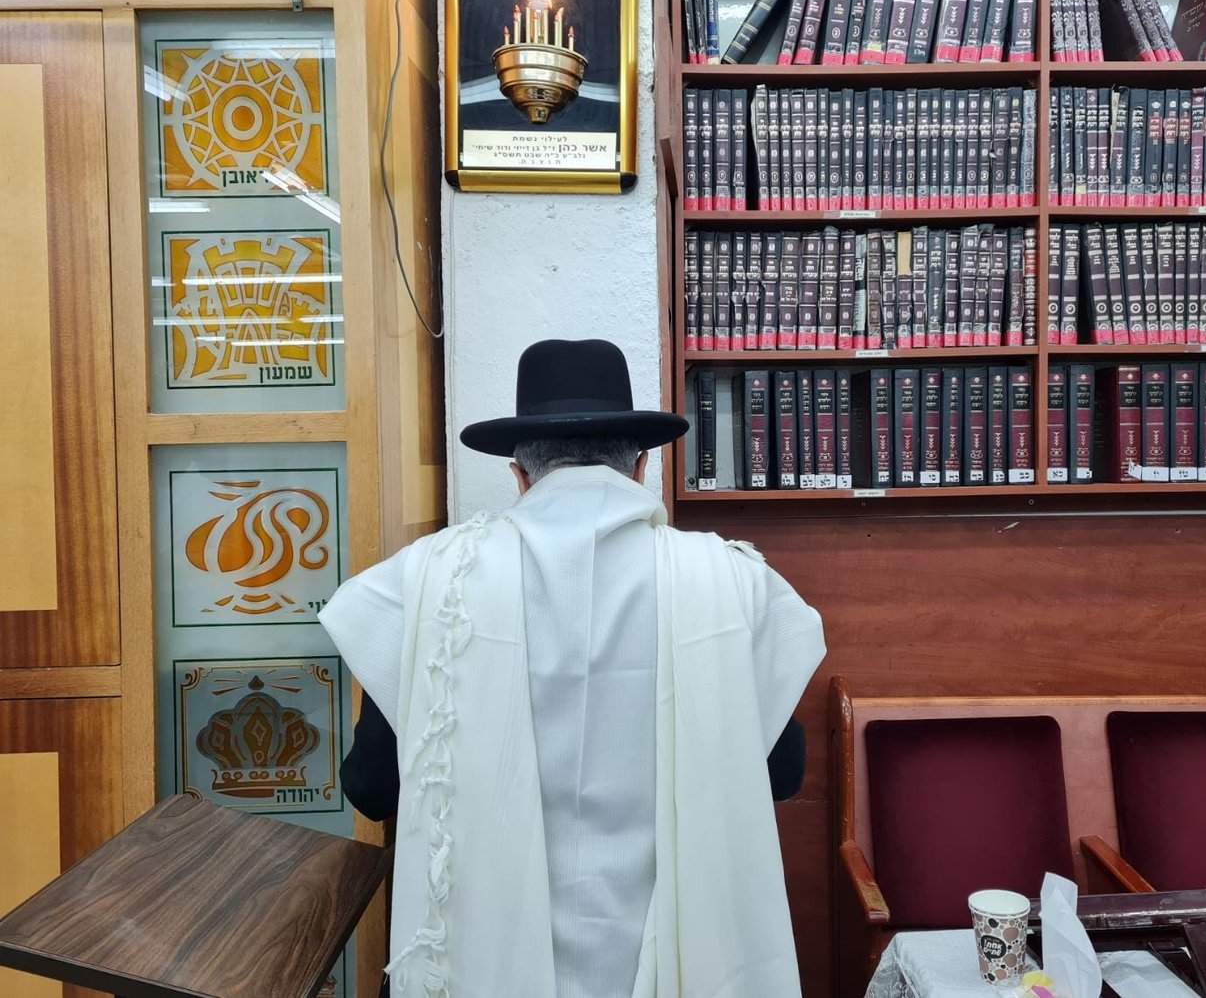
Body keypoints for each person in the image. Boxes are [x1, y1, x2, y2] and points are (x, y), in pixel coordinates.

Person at [319, 339, 827, 998]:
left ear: (519, 476)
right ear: (640, 467)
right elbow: (781, 775)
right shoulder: (727, 581)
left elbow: (371, 787)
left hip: (482, 958)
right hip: (678, 961)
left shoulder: (431, 580)